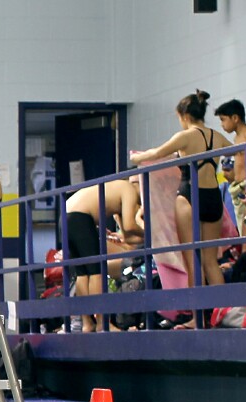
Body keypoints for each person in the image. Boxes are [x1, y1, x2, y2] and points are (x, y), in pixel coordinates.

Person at [130, 90, 232, 289]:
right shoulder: (217, 136)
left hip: (190, 197)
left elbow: (156, 153)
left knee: (193, 261)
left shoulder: (184, 137)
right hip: (213, 198)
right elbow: (239, 150)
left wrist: (136, 159)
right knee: (211, 262)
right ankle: (223, 311)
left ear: (185, 116)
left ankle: (197, 318)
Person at [62, 177, 144, 331]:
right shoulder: (129, 189)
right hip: (80, 217)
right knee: (96, 273)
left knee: (82, 274)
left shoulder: (117, 191)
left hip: (66, 215)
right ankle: (102, 323)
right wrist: (151, 232)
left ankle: (87, 323)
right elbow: (130, 225)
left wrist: (145, 237)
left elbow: (128, 236)